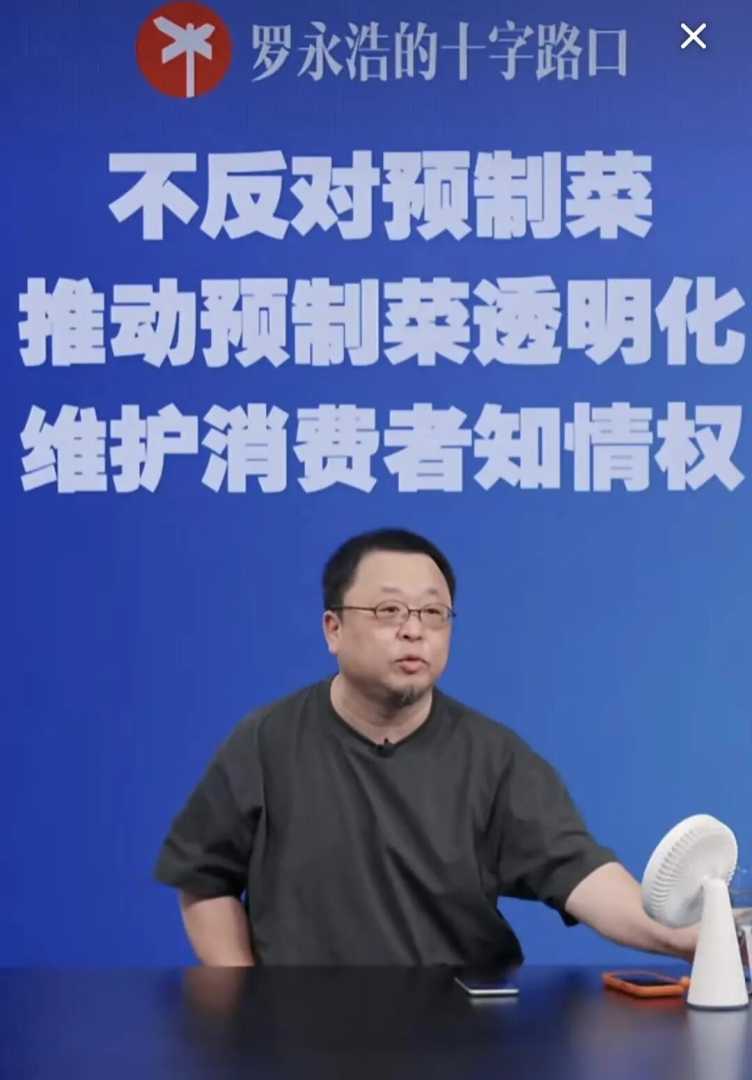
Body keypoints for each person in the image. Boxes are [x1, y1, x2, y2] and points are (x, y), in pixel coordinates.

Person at [155, 528, 698, 967]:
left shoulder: (495, 757)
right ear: (333, 629)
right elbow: (204, 880)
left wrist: (678, 938)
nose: (414, 631)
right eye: (389, 611)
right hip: (298, 1031)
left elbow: (581, 873)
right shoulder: (266, 741)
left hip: (463, 1029)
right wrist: (247, 998)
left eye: (433, 613)